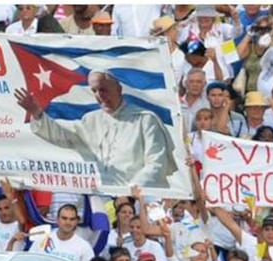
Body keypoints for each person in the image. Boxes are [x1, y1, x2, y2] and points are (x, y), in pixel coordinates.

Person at [15, 70, 178, 188]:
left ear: (119, 89)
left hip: (141, 197)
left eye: (103, 89)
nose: (99, 95)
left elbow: (156, 164)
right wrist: (36, 112)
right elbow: (63, 137)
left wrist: (130, 191)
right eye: (94, 91)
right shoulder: (91, 120)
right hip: (102, 194)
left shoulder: (145, 119)